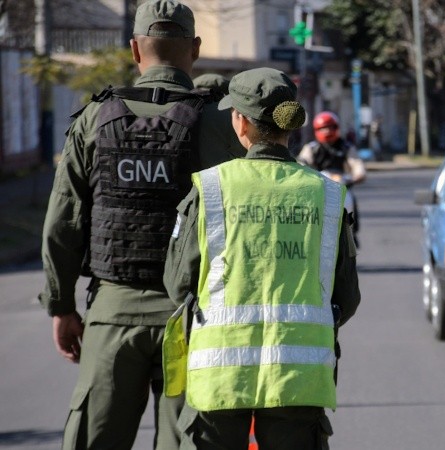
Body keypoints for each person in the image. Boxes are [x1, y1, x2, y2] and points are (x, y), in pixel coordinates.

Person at [39, 1, 245, 448]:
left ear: (135, 49)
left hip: (113, 315)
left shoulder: (95, 118)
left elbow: (63, 221)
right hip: (196, 319)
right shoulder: (223, 125)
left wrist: (61, 305)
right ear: (195, 48)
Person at [162, 67, 361, 449]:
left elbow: (177, 285)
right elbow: (347, 299)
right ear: (289, 125)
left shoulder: (211, 189)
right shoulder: (326, 194)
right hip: (298, 378)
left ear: (240, 121)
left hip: (219, 377)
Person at [298, 111, 366, 245]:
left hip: (341, 187)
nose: (327, 131)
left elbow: (358, 166)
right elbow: (301, 164)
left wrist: (354, 177)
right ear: (316, 130)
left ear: (336, 128)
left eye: (330, 127)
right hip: (317, 188)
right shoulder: (311, 148)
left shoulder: (346, 147)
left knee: (352, 200)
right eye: (323, 128)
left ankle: (351, 233)